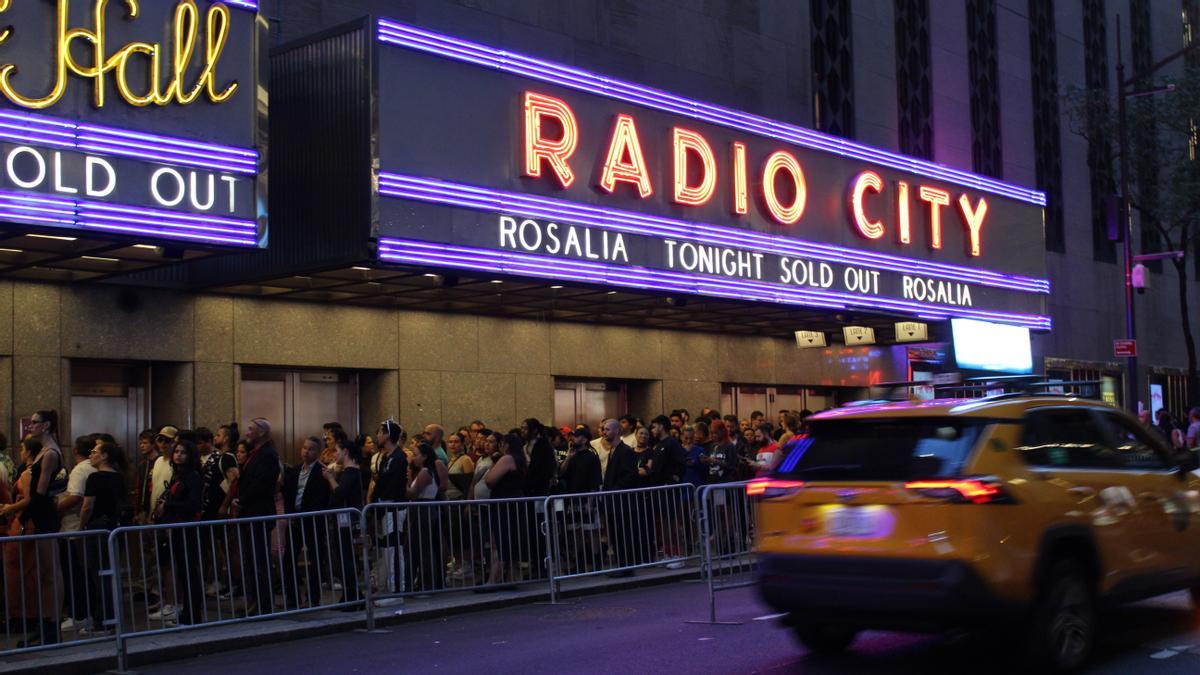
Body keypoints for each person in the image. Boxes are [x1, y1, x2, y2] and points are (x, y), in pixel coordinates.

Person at [2, 438, 54, 646]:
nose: (20, 452)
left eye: (22, 449)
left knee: (21, 571)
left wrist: (9, 509)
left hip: (23, 524)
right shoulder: (32, 472)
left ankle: (24, 614)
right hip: (26, 523)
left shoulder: (29, 473)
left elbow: (28, 498)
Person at [79, 440, 127, 637]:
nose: (91, 454)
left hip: (97, 528)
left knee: (98, 574)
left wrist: (81, 526)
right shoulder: (120, 477)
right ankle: (111, 618)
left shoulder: (95, 478)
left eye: (95, 452)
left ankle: (103, 621)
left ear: (105, 455)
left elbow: (87, 506)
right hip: (114, 527)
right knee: (110, 573)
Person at [154, 440, 204, 625]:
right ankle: (187, 612)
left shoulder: (192, 476)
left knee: (189, 571)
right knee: (183, 572)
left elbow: (193, 504)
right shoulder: (178, 475)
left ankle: (193, 615)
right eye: (176, 452)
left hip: (187, 528)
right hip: (176, 527)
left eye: (183, 452)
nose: (178, 455)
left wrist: (168, 505)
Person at [281, 436, 331, 610]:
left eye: (310, 449)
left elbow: (321, 498)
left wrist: (306, 513)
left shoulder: (322, 472)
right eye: (304, 448)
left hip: (312, 521)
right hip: (295, 521)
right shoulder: (294, 471)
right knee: (288, 559)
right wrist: (290, 514)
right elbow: (288, 494)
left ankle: (313, 597)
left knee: (314, 559)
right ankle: (292, 597)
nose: (306, 451)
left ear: (317, 452)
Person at [237, 418, 281, 616]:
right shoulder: (256, 454)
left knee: (259, 561)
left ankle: (263, 603)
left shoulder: (268, 455)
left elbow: (260, 483)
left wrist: (243, 499)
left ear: (262, 432)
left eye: (251, 429)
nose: (247, 433)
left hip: (258, 511)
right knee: (251, 560)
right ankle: (253, 599)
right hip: (250, 511)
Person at [58, 434, 98, 633]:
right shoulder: (95, 468)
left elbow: (76, 498)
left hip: (74, 528)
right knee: (87, 575)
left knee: (75, 575)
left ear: (75, 451)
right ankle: (88, 613)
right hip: (87, 528)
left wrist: (55, 508)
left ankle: (79, 615)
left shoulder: (80, 470)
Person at [372, 419, 409, 604]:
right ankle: (390, 586)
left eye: (380, 432)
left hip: (393, 508)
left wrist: (382, 502)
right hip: (385, 508)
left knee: (394, 549)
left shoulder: (399, 458)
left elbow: (394, 486)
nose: (377, 436)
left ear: (387, 435)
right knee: (387, 548)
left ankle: (397, 590)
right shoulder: (387, 457)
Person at [484, 432, 527, 587]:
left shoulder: (507, 459)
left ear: (506, 445)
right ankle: (510, 577)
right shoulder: (521, 459)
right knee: (509, 540)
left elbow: (489, 480)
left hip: (504, 504)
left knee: (500, 541)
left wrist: (492, 465)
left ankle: (493, 580)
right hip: (514, 502)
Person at [324, 437, 363, 605]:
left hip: (346, 520)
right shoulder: (348, 472)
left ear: (345, 452)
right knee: (342, 557)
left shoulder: (351, 472)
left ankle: (353, 596)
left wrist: (330, 479)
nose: (334, 455)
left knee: (345, 557)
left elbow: (340, 494)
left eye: (336, 451)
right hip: (343, 519)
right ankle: (350, 595)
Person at [406, 442, 444, 592]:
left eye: (416, 455)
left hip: (423, 510)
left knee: (423, 547)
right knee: (418, 546)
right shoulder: (423, 471)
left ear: (425, 456)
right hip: (421, 509)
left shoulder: (425, 472)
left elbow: (413, 493)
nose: (413, 458)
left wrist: (402, 483)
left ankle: (428, 583)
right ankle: (423, 581)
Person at [445, 433, 475, 500]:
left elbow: (470, 484)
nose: (453, 444)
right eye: (450, 442)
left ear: (462, 444)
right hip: (449, 498)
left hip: (459, 498)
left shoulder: (465, 459)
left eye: (456, 442)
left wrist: (468, 503)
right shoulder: (450, 460)